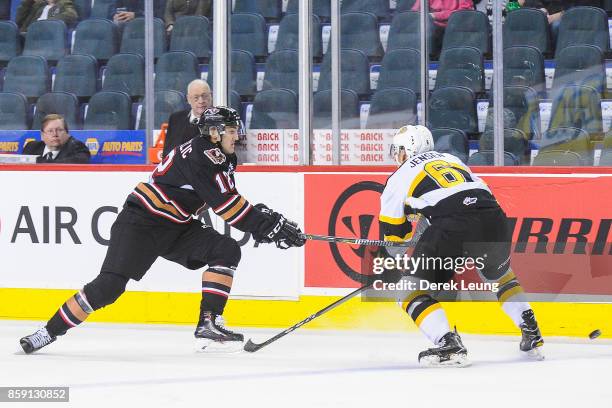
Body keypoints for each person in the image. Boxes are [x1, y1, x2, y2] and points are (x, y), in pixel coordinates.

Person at [19, 106, 305, 354]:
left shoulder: (221, 156)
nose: (237, 135)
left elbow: (228, 198)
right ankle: (48, 331)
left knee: (225, 249)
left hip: (176, 225)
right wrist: (270, 227)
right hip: (141, 222)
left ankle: (209, 323)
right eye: (231, 130)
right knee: (108, 288)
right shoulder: (206, 155)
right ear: (215, 132)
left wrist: (267, 223)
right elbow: (228, 207)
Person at [374, 125, 544, 367]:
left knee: (408, 291)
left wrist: (404, 241)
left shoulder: (398, 177)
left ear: (409, 149)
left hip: (452, 224)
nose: (397, 156)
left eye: (399, 150)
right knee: (500, 276)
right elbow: (477, 196)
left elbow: (395, 243)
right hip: (493, 216)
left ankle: (448, 343)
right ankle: (529, 326)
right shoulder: (452, 159)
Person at [162, 79, 212, 158]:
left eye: (204, 96)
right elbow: (167, 154)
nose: (201, 101)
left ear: (210, 96)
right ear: (188, 99)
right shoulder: (175, 119)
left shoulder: (219, 120)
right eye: (196, 97)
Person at [22, 114, 90, 164]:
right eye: (50, 131)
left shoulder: (77, 147)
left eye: (59, 130)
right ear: (42, 135)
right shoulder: (31, 147)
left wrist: (39, 162)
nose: (55, 134)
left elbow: (80, 162)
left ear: (67, 133)